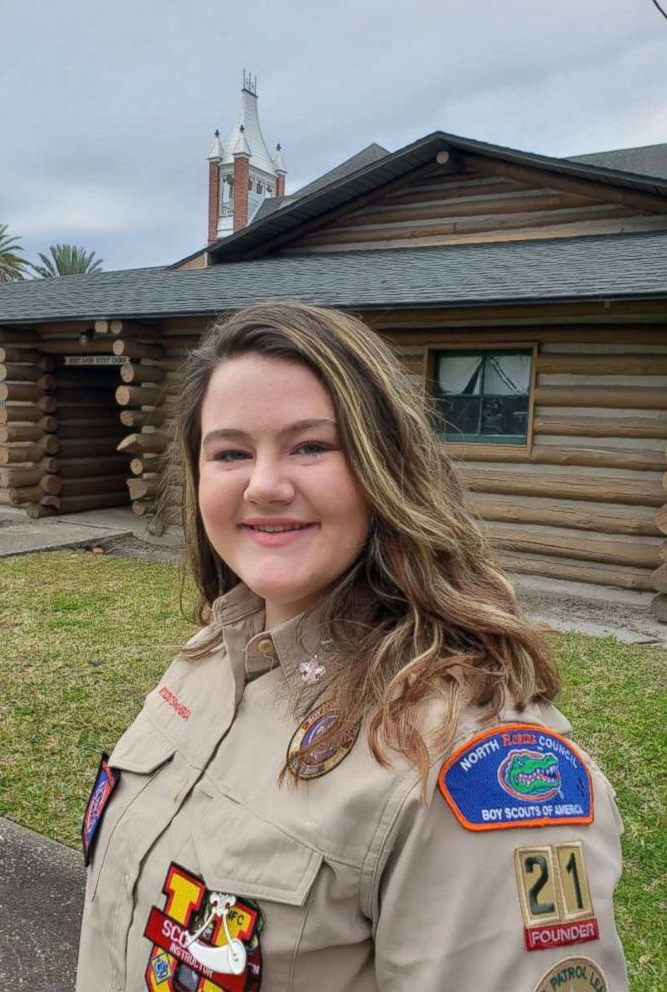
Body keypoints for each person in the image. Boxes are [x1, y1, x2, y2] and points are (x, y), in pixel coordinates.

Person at [76, 302, 628, 992]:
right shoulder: (214, 653)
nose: (265, 485)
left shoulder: (467, 761)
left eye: (311, 446)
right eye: (230, 452)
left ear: (384, 468)